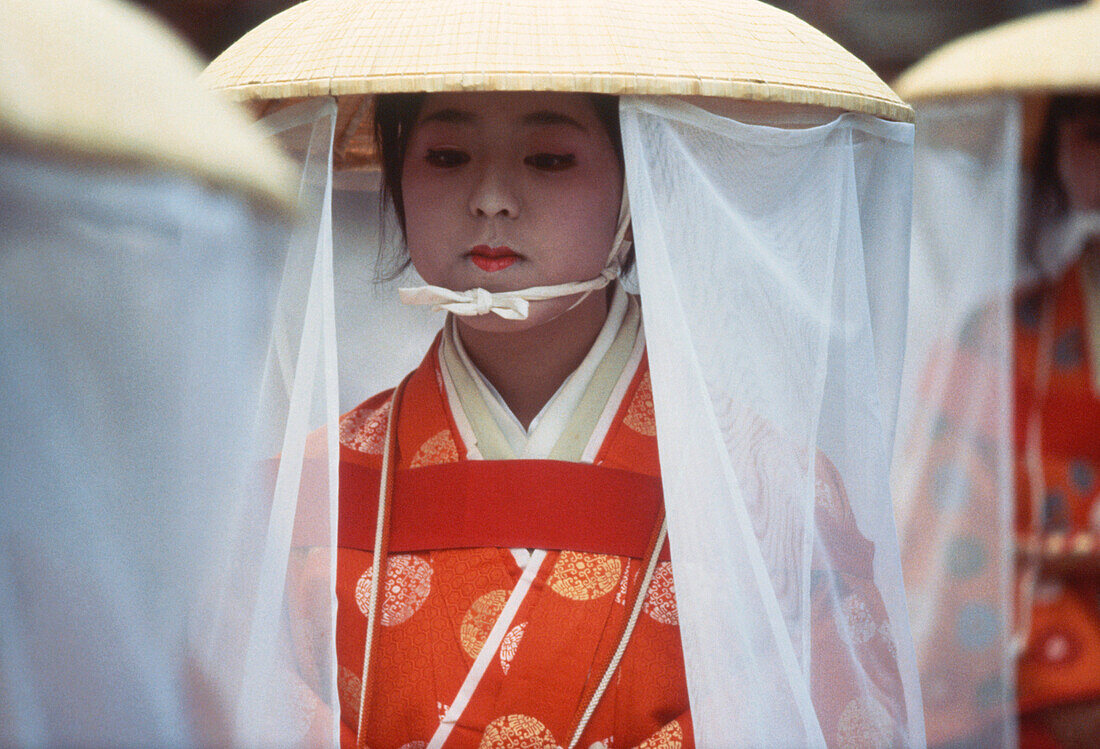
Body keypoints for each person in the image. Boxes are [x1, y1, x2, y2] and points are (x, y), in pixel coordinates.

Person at [204, 1, 925, 745]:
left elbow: (836, 714)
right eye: (446, 156)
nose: (490, 199)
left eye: (548, 159)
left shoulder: (771, 491)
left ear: (636, 182)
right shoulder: (301, 495)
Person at [892, 4, 1100, 747]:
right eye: (1093, 133)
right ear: (1056, 159)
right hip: (1040, 673)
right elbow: (948, 543)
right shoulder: (996, 338)